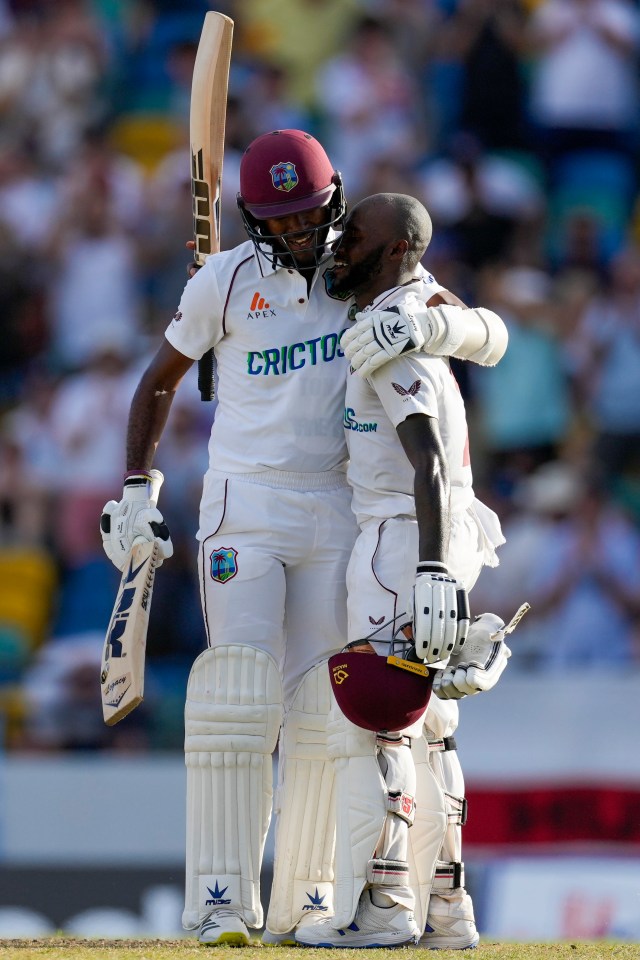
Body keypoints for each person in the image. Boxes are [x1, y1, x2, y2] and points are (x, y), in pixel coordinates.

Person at [99, 129, 508, 947]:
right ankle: (220, 903)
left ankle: (310, 898)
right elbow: (158, 382)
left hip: (342, 506)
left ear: (337, 203)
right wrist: (138, 489)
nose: (293, 236)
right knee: (237, 697)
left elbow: (485, 333)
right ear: (253, 217)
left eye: (307, 217)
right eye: (277, 221)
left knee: (332, 708)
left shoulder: (366, 264)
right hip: (244, 501)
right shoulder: (224, 279)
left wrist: (425, 332)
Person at [295, 194, 508, 949]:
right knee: (436, 728)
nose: (339, 244)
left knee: (377, 725)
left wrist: (426, 569)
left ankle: (384, 906)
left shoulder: (389, 331)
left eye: (354, 235)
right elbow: (489, 331)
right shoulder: (420, 299)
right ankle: (449, 912)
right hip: (442, 534)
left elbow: (426, 456)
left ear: (392, 251)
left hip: (401, 537)